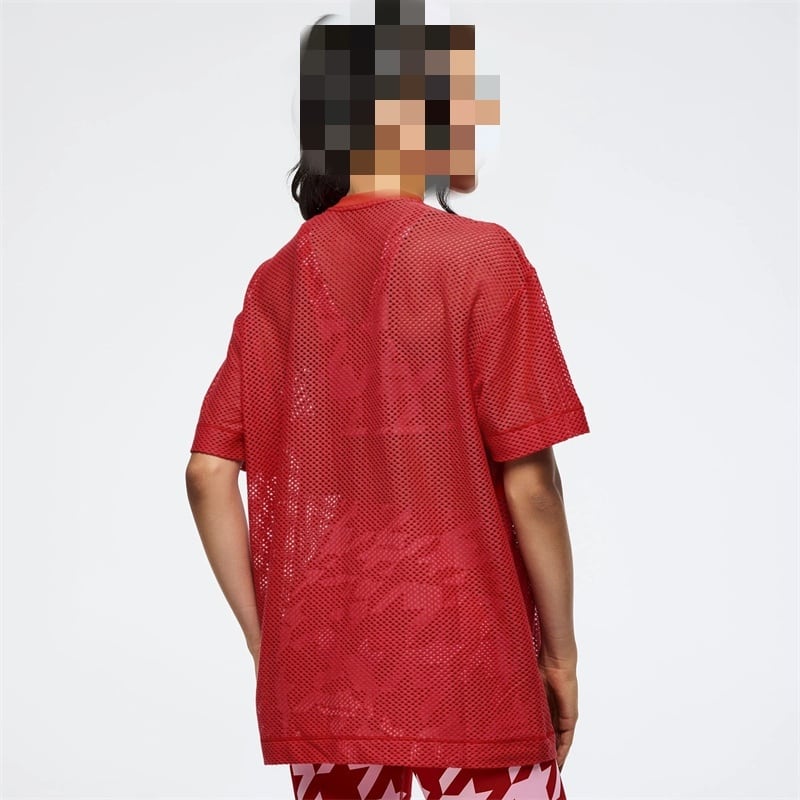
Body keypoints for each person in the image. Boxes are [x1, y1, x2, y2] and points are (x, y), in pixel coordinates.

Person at [185, 2, 590, 798]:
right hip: (471, 681)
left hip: (328, 694)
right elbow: (532, 484)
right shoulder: (481, 258)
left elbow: (206, 473)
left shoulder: (277, 280)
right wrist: (561, 659)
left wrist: (273, 647)